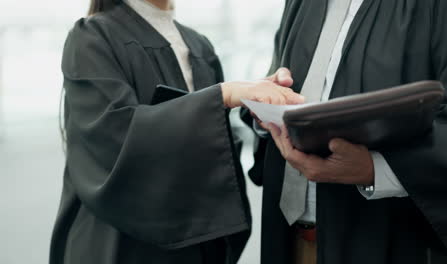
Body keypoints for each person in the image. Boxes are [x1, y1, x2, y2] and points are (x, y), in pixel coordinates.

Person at [49, 0, 304, 263]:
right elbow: (114, 139)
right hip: (118, 247)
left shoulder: (199, 46)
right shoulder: (93, 37)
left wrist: (257, 100)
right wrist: (223, 95)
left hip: (192, 244)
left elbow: (217, 150)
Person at [243, 0, 447, 263]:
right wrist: (265, 108)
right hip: (289, 241)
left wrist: (374, 170)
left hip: (388, 241)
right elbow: (281, 75)